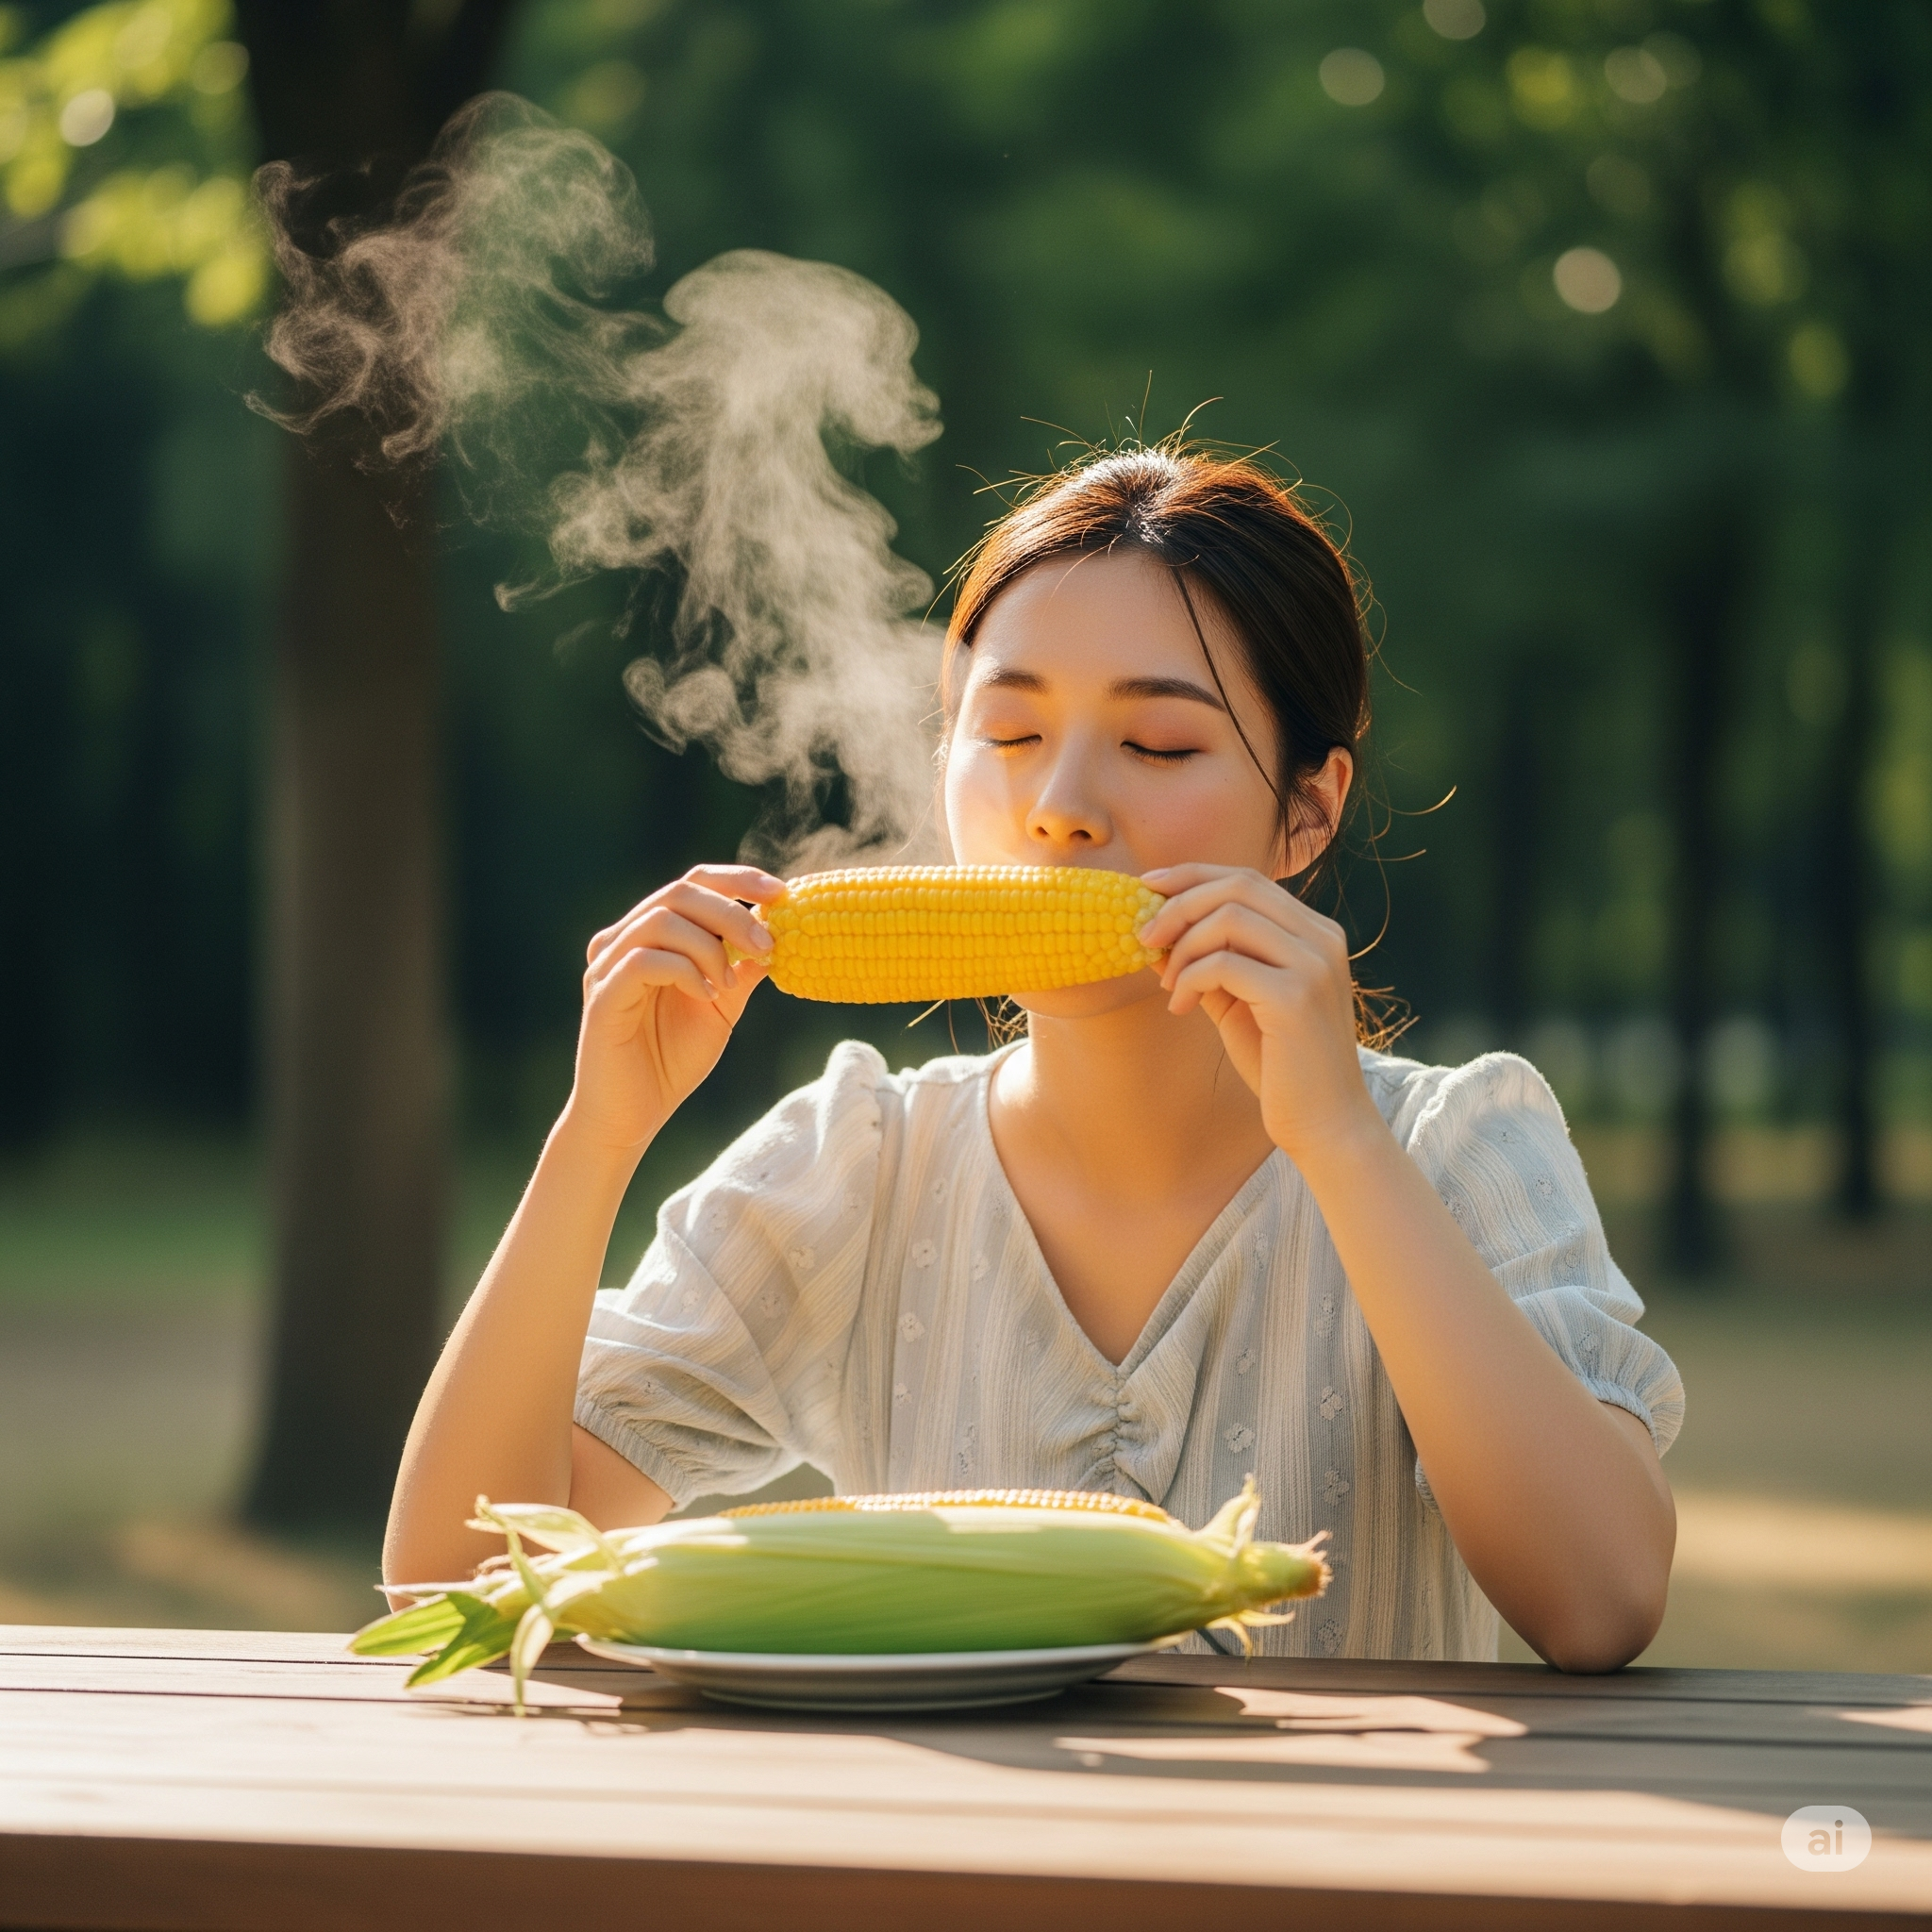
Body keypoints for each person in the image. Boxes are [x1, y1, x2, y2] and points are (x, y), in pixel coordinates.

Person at [385, 445, 1681, 1670]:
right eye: (1006, 736)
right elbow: (457, 1588)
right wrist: (594, 1138)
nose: (1059, 802)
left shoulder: (1458, 1146)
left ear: (1307, 810)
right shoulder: (858, 1167)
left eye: (1160, 744)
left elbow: (1600, 1601)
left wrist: (1339, 1142)